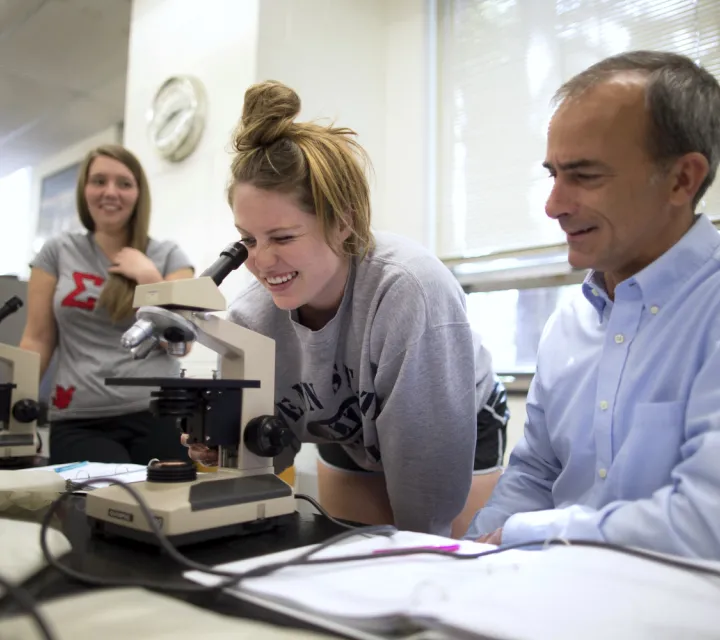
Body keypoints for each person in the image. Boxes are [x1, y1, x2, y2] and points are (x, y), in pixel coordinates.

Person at [185, 80, 509, 537]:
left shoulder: (409, 290)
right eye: (248, 240)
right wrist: (225, 448)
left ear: (343, 222)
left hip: (452, 421)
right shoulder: (250, 320)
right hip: (347, 432)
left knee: (431, 557)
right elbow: (264, 460)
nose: (260, 261)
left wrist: (420, 544)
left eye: (282, 238)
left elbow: (427, 498)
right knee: (345, 550)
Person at [465, 51, 720, 560]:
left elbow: (704, 523)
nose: (553, 205)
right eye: (553, 174)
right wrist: (470, 559)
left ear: (681, 180)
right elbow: (535, 472)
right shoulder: (569, 322)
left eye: (583, 176)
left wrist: (522, 535)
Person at [19, 144, 195, 465]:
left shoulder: (169, 256)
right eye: (99, 181)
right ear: (84, 190)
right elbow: (38, 338)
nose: (110, 192)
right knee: (104, 500)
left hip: (158, 413)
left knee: (165, 507)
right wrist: (14, 410)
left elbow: (181, 344)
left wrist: (150, 278)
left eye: (124, 183)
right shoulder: (57, 252)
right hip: (78, 418)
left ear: (139, 194)